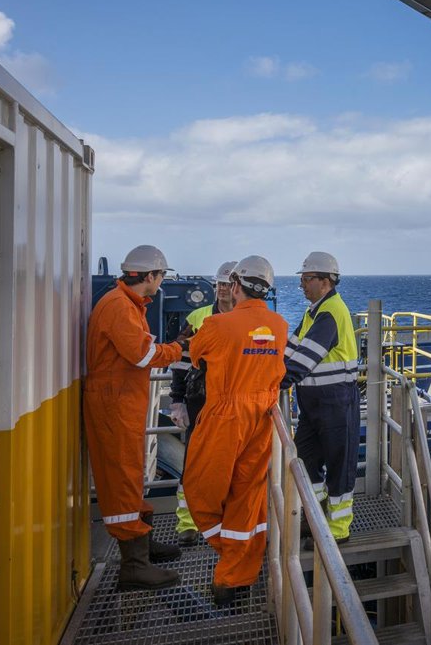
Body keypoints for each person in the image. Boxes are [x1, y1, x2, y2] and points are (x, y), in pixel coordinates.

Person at [182, 255, 288, 606]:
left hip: (225, 415)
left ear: (236, 285)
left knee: (199, 489)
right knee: (247, 495)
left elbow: (195, 355)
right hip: (263, 417)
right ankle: (235, 574)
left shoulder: (216, 324)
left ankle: (228, 552)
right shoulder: (280, 325)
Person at [84, 245, 187, 591]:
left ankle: (143, 545)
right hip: (114, 405)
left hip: (121, 402)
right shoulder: (119, 307)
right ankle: (134, 566)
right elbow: (142, 354)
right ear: (150, 276)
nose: (161, 282)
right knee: (122, 477)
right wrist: (179, 349)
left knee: (131, 473)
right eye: (161, 276)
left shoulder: (126, 304)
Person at [283, 251, 359, 544]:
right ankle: (315, 516)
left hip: (336, 403)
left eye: (306, 279)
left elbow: (303, 360)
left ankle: (338, 530)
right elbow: (290, 350)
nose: (301, 284)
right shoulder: (313, 312)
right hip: (315, 406)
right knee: (305, 459)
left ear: (325, 281)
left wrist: (275, 382)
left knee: (340, 464)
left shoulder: (330, 313)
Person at [169, 260, 237, 545]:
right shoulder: (198, 318)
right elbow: (180, 360)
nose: (222, 289)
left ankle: (228, 520)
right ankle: (187, 523)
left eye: (227, 284)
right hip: (201, 401)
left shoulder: (245, 319)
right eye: (219, 284)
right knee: (194, 462)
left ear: (237, 287)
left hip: (235, 405)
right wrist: (177, 401)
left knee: (233, 464)